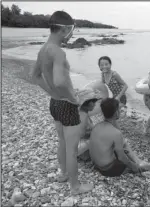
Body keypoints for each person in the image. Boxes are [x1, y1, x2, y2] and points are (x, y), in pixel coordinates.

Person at [29, 11, 93, 194]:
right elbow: (59, 81)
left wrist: (54, 94)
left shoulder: (43, 50)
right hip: (66, 104)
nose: (72, 35)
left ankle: (64, 173)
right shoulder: (58, 52)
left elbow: (35, 77)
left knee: (62, 142)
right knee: (71, 148)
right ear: (64, 29)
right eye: (71, 30)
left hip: (55, 103)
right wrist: (74, 98)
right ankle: (75, 186)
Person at [89, 98, 150, 177]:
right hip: (106, 170)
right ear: (116, 113)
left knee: (122, 144)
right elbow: (122, 158)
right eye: (119, 110)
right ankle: (144, 167)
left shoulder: (97, 126)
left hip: (97, 165)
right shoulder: (115, 133)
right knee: (127, 159)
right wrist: (135, 167)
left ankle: (139, 162)